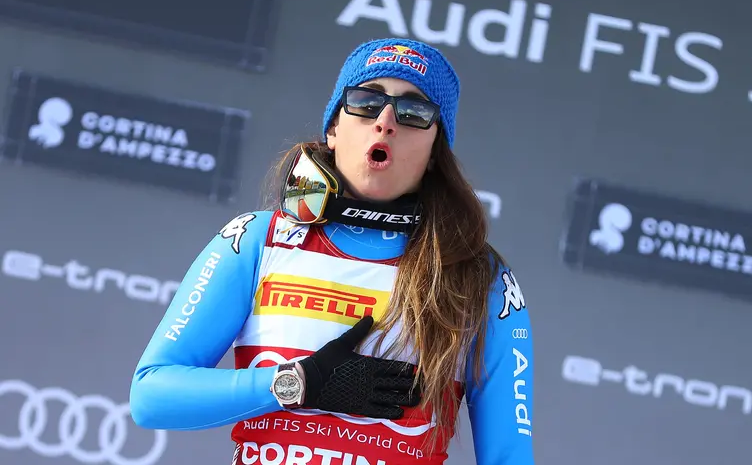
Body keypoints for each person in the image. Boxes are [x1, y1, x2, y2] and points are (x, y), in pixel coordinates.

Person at [129, 37, 535, 465]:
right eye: (365, 101)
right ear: (334, 129)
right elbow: (152, 394)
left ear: (435, 152)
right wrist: (299, 382)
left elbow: (510, 457)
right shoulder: (257, 240)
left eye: (414, 111)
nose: (385, 122)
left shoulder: (480, 278)